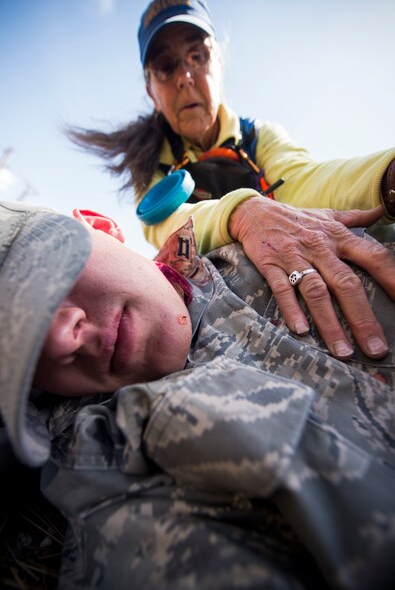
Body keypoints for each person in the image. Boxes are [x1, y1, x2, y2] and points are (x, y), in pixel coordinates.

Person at [0, 199, 394, 590]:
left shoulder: (290, 244)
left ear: (101, 226)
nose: (60, 338)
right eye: (18, 348)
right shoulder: (103, 460)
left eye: (45, 279)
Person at [67, 0, 395, 365]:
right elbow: (165, 226)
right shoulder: (147, 163)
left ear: (219, 63)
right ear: (151, 91)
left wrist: (386, 179)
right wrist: (243, 212)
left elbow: (304, 179)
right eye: (165, 65)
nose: (185, 76)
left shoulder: (260, 137)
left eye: (198, 56)